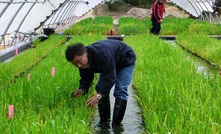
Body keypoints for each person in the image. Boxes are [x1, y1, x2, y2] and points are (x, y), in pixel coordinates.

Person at [65, 39, 136, 127]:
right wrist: (82, 89)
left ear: (85, 53)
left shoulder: (101, 54)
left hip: (125, 60)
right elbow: (86, 78)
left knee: (120, 90)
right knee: (100, 88)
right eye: (75, 64)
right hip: (110, 62)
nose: (78, 65)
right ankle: (104, 122)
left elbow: (110, 77)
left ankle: (116, 126)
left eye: (79, 61)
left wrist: (98, 96)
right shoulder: (83, 63)